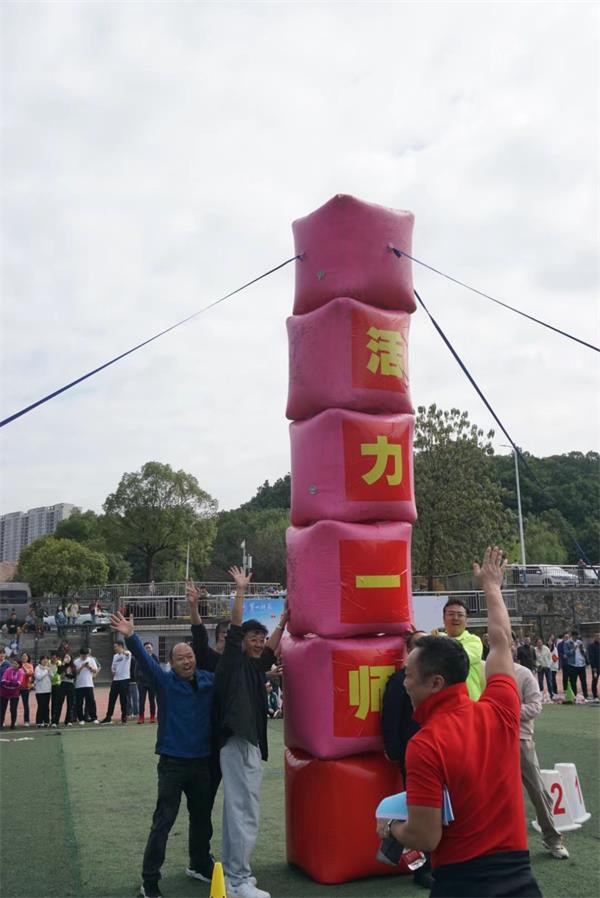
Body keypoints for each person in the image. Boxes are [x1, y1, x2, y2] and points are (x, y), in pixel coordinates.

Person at [377, 547, 542, 897]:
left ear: (435, 683)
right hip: (520, 881)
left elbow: (425, 836)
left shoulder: (425, 744)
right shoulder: (500, 708)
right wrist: (492, 588)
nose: (404, 683)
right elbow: (501, 642)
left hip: (463, 883)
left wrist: (390, 828)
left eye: (409, 676)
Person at [110, 610, 215, 898]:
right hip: (173, 766)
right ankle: (150, 881)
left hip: (202, 764)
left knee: (202, 819)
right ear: (171, 663)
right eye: (180, 658)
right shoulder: (165, 683)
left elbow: (232, 677)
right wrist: (131, 636)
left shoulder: (208, 680)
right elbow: (145, 661)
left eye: (189, 656)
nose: (186, 661)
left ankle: (199, 864)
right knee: (163, 822)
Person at [215, 566, 288, 898]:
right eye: (253, 639)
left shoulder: (255, 666)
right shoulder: (232, 663)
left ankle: (234, 876)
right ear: (240, 643)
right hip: (239, 742)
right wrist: (241, 591)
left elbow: (271, 650)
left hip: (246, 744)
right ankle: (239, 879)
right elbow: (235, 631)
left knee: (237, 811)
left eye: (261, 639)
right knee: (245, 811)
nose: (259, 644)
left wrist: (283, 620)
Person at [381, 629, 433, 890]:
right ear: (408, 650)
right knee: (418, 811)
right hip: (412, 754)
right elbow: (389, 720)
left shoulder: (436, 679)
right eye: (417, 645)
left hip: (437, 752)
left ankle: (434, 864)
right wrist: (395, 751)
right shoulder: (399, 680)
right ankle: (421, 868)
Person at [503, 651, 569, 860]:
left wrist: (506, 711)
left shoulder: (523, 674)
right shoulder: (485, 672)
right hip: (491, 740)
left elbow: (535, 706)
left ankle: (553, 839)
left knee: (538, 790)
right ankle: (498, 845)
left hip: (521, 739)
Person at [441, 599, 485, 700]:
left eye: (460, 615)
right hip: (444, 701)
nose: (455, 618)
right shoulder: (437, 639)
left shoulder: (473, 641)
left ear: (466, 620)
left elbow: (458, 659)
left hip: (469, 701)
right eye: (451, 614)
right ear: (443, 619)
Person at [101, 640, 131, 725]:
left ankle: (124, 718)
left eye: (116, 646)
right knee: (112, 699)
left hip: (124, 680)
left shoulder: (127, 653)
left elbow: (127, 654)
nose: (114, 648)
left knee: (123, 700)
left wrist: (123, 652)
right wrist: (113, 670)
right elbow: (113, 666)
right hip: (116, 680)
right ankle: (108, 717)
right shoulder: (115, 656)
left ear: (120, 646)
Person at [74, 647, 99, 724]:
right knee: (79, 703)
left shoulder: (91, 660)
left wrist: (89, 667)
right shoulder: (76, 661)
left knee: (91, 702)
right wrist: (82, 667)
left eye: (86, 655)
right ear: (80, 654)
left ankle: (94, 718)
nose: (84, 657)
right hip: (79, 685)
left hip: (89, 684)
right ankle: (81, 719)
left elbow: (95, 670)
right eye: (83, 655)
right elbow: (75, 673)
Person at [53, 653, 76, 726]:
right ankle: (55, 721)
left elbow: (73, 676)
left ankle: (69, 720)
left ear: (71, 658)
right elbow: (59, 672)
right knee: (59, 703)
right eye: (65, 657)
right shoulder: (62, 666)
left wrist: (66, 675)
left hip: (70, 685)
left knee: (70, 703)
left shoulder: (73, 666)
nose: (67, 658)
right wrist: (63, 663)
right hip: (63, 684)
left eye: (68, 657)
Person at [1, 655, 24, 729]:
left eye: (16, 664)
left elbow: (18, 683)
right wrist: (12, 683)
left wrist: (9, 682)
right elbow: (3, 680)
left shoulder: (21, 672)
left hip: (14, 693)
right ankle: (1, 724)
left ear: (19, 665)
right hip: (4, 692)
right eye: (13, 663)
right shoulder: (8, 670)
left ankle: (13, 724)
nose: (14, 665)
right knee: (2, 708)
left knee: (13, 708)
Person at [137, 642, 157, 724]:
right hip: (142, 683)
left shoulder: (155, 658)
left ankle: (152, 717)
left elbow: (157, 670)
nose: (148, 649)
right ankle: (141, 717)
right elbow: (136, 670)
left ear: (152, 648)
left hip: (152, 683)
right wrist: (138, 679)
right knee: (141, 701)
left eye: (149, 647)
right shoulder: (140, 658)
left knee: (152, 700)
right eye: (146, 648)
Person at [564, 631, 588, 698]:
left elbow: (584, 652)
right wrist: (573, 649)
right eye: (575, 636)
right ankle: (574, 695)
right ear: (572, 636)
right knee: (573, 681)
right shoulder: (567, 643)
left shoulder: (580, 642)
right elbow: (566, 653)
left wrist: (582, 649)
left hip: (581, 664)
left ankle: (585, 695)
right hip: (573, 665)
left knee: (583, 681)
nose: (576, 637)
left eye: (577, 636)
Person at [34, 656, 52, 727]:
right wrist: (46, 671)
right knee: (41, 706)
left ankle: (46, 721)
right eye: (43, 660)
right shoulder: (37, 668)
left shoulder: (48, 668)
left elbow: (52, 676)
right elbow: (38, 677)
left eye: (46, 660)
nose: (45, 661)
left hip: (47, 690)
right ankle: (39, 722)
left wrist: (49, 671)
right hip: (40, 691)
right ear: (40, 661)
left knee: (46, 707)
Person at [19, 651, 34, 726]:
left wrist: (23, 666)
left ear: (28, 658)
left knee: (25, 705)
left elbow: (29, 673)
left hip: (25, 688)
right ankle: (13, 721)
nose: (24, 657)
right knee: (14, 704)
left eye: (25, 656)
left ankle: (26, 721)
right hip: (17, 688)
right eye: (23, 656)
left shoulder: (30, 665)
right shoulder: (17, 665)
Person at [588, 632, 600, 703]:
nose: (598, 637)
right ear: (594, 637)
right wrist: (593, 667)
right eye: (597, 636)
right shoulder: (591, 646)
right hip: (596, 667)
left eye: (599, 636)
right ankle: (595, 696)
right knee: (595, 681)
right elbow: (591, 657)